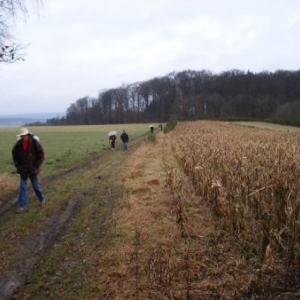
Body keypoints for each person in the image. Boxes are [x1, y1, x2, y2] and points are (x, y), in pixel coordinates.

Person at [12, 128, 45, 213]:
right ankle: (23, 206)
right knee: (23, 187)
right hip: (23, 170)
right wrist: (18, 166)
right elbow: (14, 155)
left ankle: (42, 198)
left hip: (32, 169)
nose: (23, 137)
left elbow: (41, 154)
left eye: (24, 135)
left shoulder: (34, 142)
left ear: (28, 135)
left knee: (36, 186)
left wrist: (36, 165)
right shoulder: (18, 144)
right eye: (22, 136)